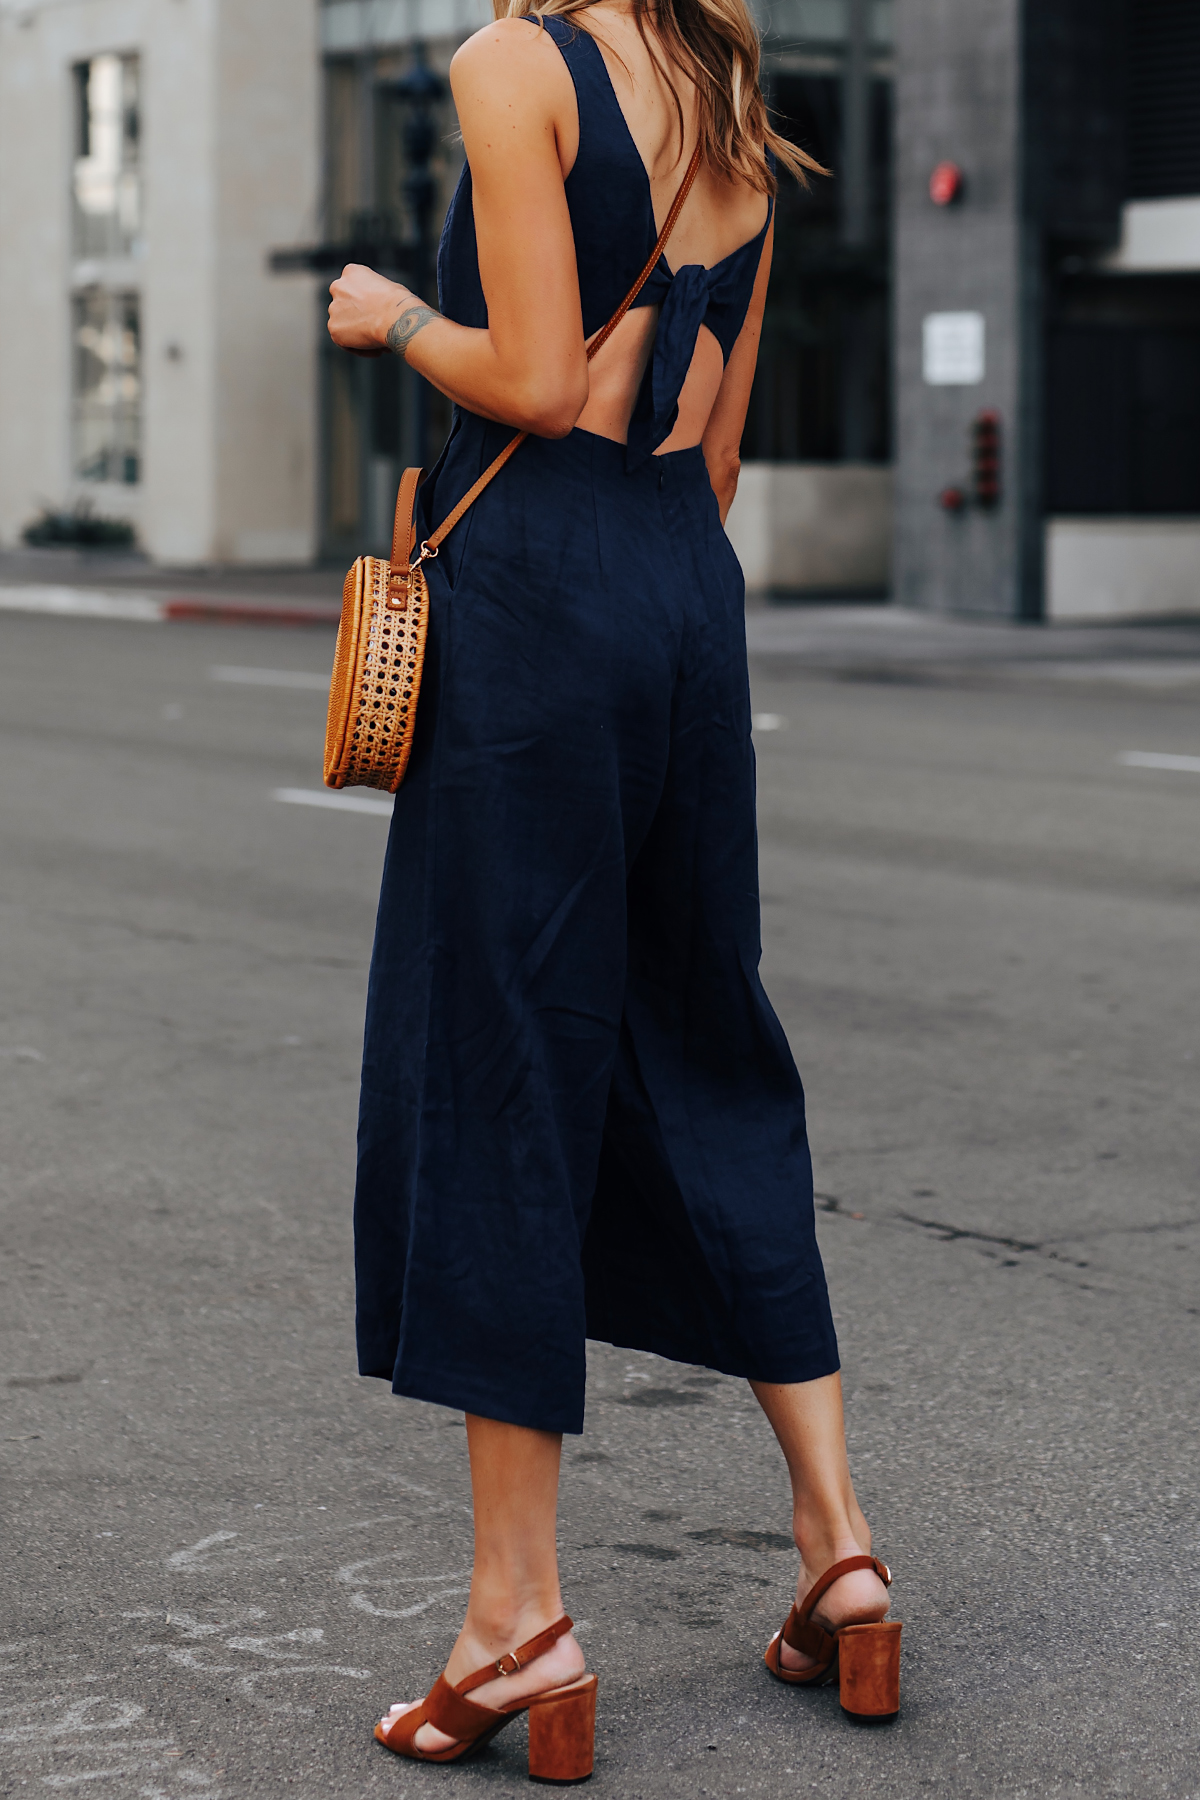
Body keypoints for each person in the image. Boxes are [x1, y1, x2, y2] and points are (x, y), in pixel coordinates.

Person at [326, 0, 899, 1772]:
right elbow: (703, 451)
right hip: (681, 597)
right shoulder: (730, 95)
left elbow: (545, 383)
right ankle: (841, 1554)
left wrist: (393, 315)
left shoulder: (519, 71)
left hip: (539, 606)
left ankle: (521, 1624)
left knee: (507, 1060)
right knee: (705, 1042)